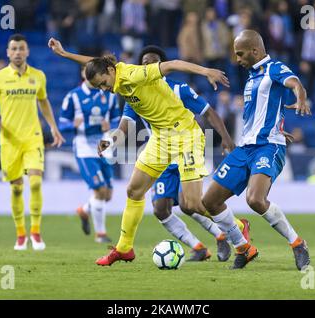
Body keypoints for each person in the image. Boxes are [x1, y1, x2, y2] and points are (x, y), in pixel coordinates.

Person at [48, 37, 251, 267]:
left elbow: (173, 63)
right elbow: (95, 63)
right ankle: (124, 249)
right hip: (161, 138)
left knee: (192, 204)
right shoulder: (117, 79)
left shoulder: (136, 74)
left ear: (111, 71)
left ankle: (237, 226)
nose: (105, 90)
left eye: (104, 83)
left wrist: (206, 71)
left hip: (185, 135)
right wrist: (65, 55)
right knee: (134, 190)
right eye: (100, 87)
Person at [120, 45, 252, 262]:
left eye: (153, 62)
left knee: (190, 204)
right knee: (160, 209)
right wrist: (112, 138)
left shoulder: (178, 88)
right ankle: (199, 247)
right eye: (144, 63)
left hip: (184, 149)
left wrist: (227, 139)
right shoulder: (135, 89)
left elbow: (208, 112)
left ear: (161, 66)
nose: (148, 66)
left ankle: (227, 231)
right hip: (160, 153)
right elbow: (126, 122)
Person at [201, 30, 311, 270]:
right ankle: (244, 247)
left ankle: (298, 244)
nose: (237, 59)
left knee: (255, 199)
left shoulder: (273, 68)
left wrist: (301, 96)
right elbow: (265, 109)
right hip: (245, 148)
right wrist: (279, 118)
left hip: (268, 147)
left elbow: (294, 83)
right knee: (209, 201)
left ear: (255, 51)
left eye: (240, 54)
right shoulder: (252, 78)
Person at [0, 34, 65, 251]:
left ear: (27, 52)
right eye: (14, 49)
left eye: (21, 48)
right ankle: (20, 234)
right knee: (17, 189)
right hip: (9, 141)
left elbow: (44, 102)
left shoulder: (38, 76)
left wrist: (53, 128)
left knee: (35, 183)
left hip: (32, 137)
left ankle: (35, 232)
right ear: (8, 52)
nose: (17, 52)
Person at [59, 66, 120, 243]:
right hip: (84, 148)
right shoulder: (73, 96)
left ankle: (85, 210)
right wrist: (74, 125)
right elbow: (62, 123)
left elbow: (117, 118)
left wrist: (110, 125)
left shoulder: (109, 94)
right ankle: (100, 234)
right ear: (82, 73)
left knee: (107, 195)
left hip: (103, 145)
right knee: (99, 190)